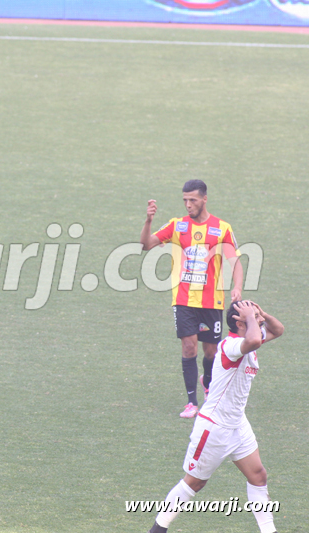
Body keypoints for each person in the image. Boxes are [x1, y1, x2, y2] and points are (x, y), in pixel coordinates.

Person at [146, 300, 283, 533]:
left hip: (237, 424)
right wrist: (251, 317)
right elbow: (251, 341)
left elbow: (278, 330)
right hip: (214, 427)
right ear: (240, 322)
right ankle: (158, 529)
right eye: (254, 316)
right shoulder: (230, 345)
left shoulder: (251, 337)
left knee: (258, 476)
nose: (259, 320)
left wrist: (260, 314)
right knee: (195, 482)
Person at [140, 180, 243, 418]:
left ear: (204, 199)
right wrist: (148, 221)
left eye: (193, 200)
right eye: (185, 200)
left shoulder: (222, 227)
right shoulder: (177, 226)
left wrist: (237, 287)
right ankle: (191, 402)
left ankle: (207, 384)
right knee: (188, 346)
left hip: (211, 301)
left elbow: (234, 262)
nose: (188, 205)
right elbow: (146, 245)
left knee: (210, 352)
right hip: (184, 298)